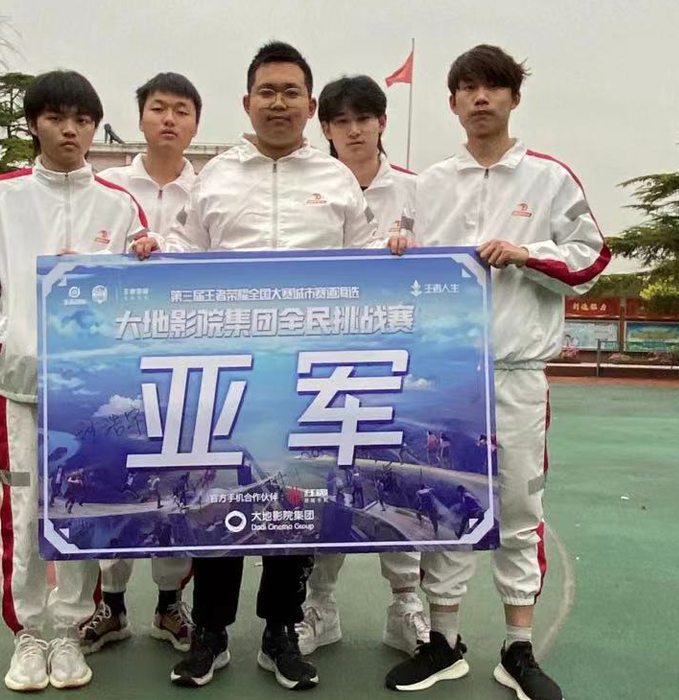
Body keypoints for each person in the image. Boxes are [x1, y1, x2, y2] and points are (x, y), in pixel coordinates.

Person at [133, 41, 408, 691]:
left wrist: (396, 250)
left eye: (291, 92)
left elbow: (368, 262)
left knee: (296, 500)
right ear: (247, 102)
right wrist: (153, 249)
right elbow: (184, 254)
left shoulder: (335, 180)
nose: (278, 103)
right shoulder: (216, 178)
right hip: (228, 374)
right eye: (267, 91)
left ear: (309, 107)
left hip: (309, 377)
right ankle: (211, 633)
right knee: (220, 499)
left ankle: (282, 630)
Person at [384, 45, 610, 698]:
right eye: (468, 88)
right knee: (444, 503)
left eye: (493, 87)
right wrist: (397, 248)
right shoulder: (429, 184)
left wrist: (527, 253)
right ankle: (443, 641)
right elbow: (401, 260)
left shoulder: (549, 179)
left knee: (516, 506)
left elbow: (592, 258)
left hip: (515, 372)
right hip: (445, 377)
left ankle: (517, 647)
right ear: (452, 101)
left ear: (513, 97)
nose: (480, 98)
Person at [0, 70, 147, 692]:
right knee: (25, 508)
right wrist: (7, 342)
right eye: (57, 118)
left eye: (83, 120)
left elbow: (142, 294)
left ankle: (70, 630)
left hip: (91, 398)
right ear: (34, 124)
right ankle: (29, 634)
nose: (70, 131)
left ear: (94, 127)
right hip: (20, 391)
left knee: (83, 509)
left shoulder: (119, 206)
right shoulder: (1, 197)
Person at [295, 74, 428, 660]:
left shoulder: (419, 192)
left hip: (397, 360)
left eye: (364, 119)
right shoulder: (307, 187)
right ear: (324, 127)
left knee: (395, 479)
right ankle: (318, 606)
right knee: (327, 484)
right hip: (323, 361)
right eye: (341, 121)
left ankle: (406, 605)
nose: (353, 131)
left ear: (382, 123)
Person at [85, 75, 200, 655]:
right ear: (140, 118)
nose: (169, 119)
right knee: (114, 476)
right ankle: (110, 606)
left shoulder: (209, 192)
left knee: (177, 485)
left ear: (196, 123)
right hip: (119, 360)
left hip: (185, 361)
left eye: (181, 110)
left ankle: (170, 605)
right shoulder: (105, 188)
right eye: (158, 108)